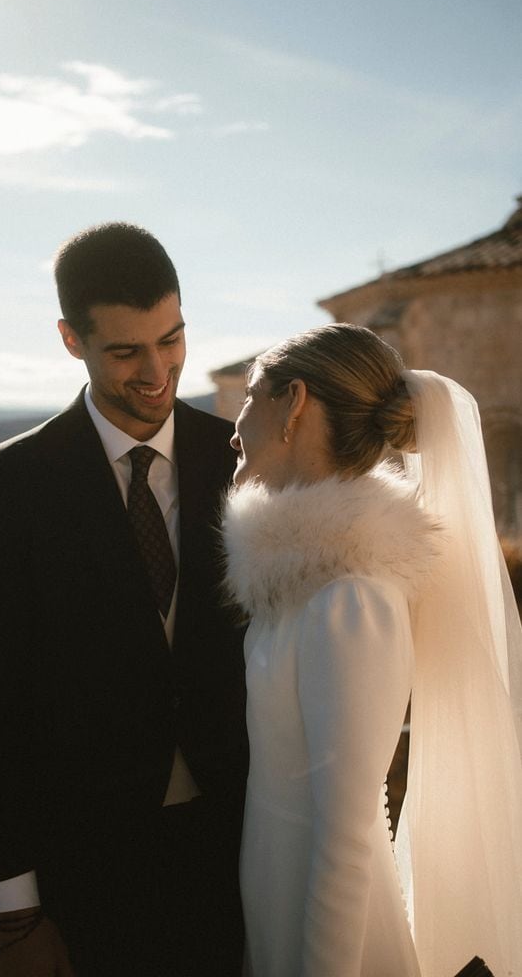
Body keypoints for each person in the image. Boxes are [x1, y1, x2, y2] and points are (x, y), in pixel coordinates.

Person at [0, 222, 248, 976]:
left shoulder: (243, 460)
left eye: (172, 340)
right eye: (125, 351)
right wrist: (18, 922)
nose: (158, 372)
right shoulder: (16, 483)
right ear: (70, 340)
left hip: (246, 854)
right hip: (86, 877)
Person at [222, 323, 522, 977]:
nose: (235, 423)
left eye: (250, 396)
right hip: (274, 920)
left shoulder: (353, 600)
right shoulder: (295, 589)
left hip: (339, 946)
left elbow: (348, 836)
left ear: (293, 403)